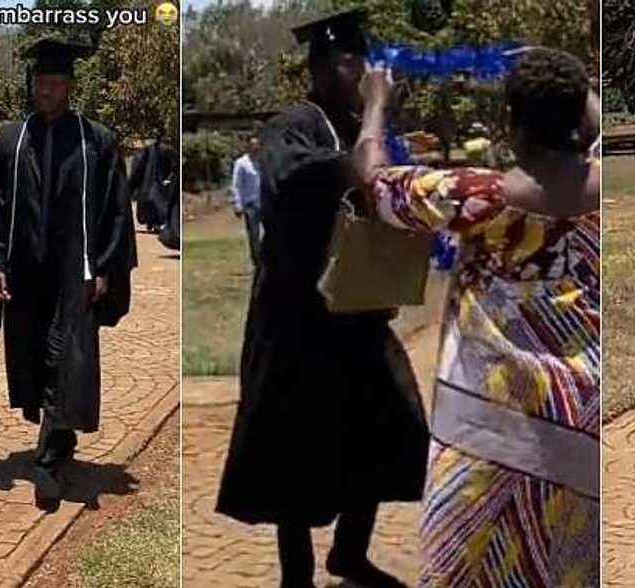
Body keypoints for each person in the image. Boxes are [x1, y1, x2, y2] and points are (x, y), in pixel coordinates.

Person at [354, 48, 601, 586]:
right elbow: (595, 127)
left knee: (465, 568)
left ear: (510, 123)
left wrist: (375, 105)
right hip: (580, 421)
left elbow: (375, 183)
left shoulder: (479, 197)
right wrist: (573, 87)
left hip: (488, 431)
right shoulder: (606, 190)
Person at [215, 11, 429, 588]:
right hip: (296, 321)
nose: (365, 74)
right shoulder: (293, 127)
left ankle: (350, 554)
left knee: (390, 424)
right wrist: (380, 109)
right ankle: (297, 576)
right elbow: (358, 168)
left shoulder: (352, 122)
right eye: (354, 64)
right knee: (295, 448)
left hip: (356, 315)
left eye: (365, 63)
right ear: (326, 68)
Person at [0, 38, 137, 506]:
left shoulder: (96, 141)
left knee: (68, 358)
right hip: (24, 272)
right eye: (41, 82)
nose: (47, 90)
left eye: (56, 82)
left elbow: (114, 210)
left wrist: (105, 267)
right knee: (36, 356)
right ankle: (56, 442)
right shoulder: (9, 141)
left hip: (73, 272)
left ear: (71, 87)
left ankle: (48, 459)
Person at [130, 136, 177, 233]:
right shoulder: (162, 150)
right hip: (154, 185)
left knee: (153, 203)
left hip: (151, 186)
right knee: (155, 203)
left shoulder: (147, 153)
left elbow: (136, 173)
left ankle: (153, 223)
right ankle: (155, 223)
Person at [231, 136, 263, 266]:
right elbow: (236, 185)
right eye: (253, 146)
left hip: (265, 202)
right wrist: (238, 204)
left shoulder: (262, 162)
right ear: (248, 147)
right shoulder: (241, 163)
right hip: (250, 205)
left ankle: (266, 258)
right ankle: (256, 260)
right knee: (254, 234)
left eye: (258, 146)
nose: (256, 148)